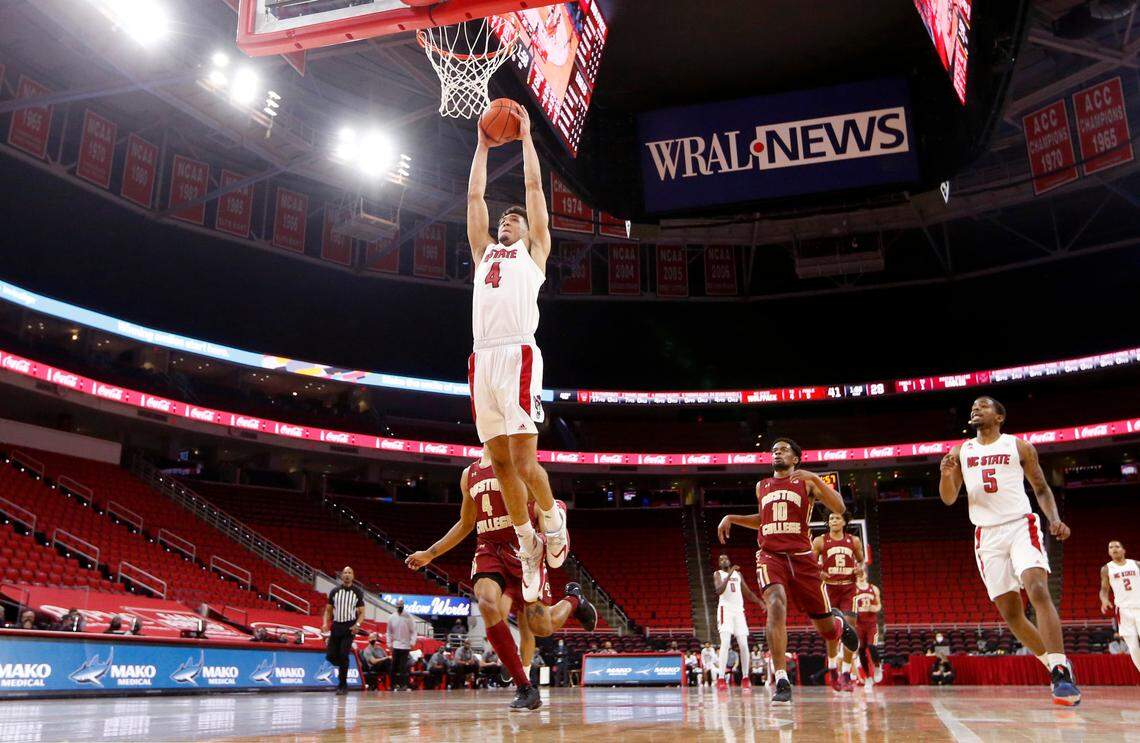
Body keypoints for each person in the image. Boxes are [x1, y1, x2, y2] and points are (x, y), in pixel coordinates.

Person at [465, 102, 569, 605]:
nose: (507, 223)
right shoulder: (484, 252)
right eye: (503, 221)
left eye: (514, 221)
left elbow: (532, 190)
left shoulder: (534, 253)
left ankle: (551, 519)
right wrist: (483, 147)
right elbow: (474, 195)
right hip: (481, 359)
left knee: (525, 463)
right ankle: (527, 542)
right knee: (501, 464)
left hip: (519, 355)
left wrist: (526, 139)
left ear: (529, 233)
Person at [405, 456, 596, 711]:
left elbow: (541, 500)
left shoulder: (518, 459)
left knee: (541, 626)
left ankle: (574, 598)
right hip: (489, 548)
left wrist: (548, 525)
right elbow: (465, 523)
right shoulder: (469, 474)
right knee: (486, 602)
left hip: (525, 549)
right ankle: (524, 686)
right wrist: (430, 553)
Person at [939, 396, 1080, 705]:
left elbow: (1042, 488)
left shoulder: (1019, 446)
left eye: (984, 405)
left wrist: (1054, 519)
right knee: (1012, 614)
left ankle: (1059, 669)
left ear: (1000, 416)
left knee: (1038, 588)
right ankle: (1054, 666)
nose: (976, 409)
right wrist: (946, 474)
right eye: (973, 406)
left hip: (1020, 524)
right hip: (986, 535)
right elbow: (949, 498)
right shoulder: (961, 451)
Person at [718, 437, 859, 705]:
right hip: (770, 556)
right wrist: (732, 517)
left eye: (783, 450)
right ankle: (781, 678)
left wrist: (817, 480)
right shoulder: (762, 486)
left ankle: (839, 623)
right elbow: (763, 519)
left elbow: (839, 507)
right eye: (774, 450)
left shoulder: (805, 481)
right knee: (776, 603)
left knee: (827, 630)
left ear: (795, 458)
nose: (777, 453)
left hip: (803, 558)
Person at [812, 511, 865, 692]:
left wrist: (860, 569)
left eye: (837, 518)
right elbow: (809, 563)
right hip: (829, 588)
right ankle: (833, 667)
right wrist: (819, 571)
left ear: (844, 522)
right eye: (831, 519)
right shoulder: (820, 541)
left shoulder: (854, 541)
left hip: (849, 588)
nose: (833, 521)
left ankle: (846, 674)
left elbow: (862, 561)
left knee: (850, 629)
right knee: (833, 630)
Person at [712, 553, 763, 691]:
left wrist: (759, 602)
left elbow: (747, 593)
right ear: (719, 563)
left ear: (729, 560)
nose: (723, 560)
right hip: (725, 610)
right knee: (726, 643)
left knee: (743, 644)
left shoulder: (738, 575)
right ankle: (721, 678)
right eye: (720, 559)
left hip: (739, 611)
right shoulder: (718, 574)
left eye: (725, 558)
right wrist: (730, 574)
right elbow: (719, 590)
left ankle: (745, 677)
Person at [323, 566, 365, 695]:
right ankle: (343, 665)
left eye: (349, 573)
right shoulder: (335, 591)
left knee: (343, 655)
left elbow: (362, 613)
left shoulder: (357, 592)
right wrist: (325, 623)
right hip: (336, 626)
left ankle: (342, 685)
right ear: (342, 576)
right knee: (330, 656)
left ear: (353, 576)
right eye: (345, 573)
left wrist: (357, 625)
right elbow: (328, 610)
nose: (347, 575)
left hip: (349, 627)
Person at [1100, 539, 1140, 673]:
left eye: (1117, 546)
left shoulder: (1136, 564)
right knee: (1133, 647)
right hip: (1123, 610)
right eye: (1111, 547)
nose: (1114, 549)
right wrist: (1104, 600)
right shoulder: (1106, 569)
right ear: (1109, 552)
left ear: (1123, 550)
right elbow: (1104, 589)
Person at [851, 570, 884, 690]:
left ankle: (877, 666)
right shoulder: (853, 589)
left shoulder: (873, 588)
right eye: (858, 574)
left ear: (865, 575)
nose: (861, 576)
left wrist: (873, 607)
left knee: (872, 646)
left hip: (871, 624)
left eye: (862, 573)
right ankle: (868, 678)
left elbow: (879, 605)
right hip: (859, 624)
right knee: (861, 650)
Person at [386, 600, 417, 691]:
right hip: (396, 645)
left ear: (403, 606)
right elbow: (389, 632)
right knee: (394, 666)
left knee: (403, 667)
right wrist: (389, 643)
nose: (399, 608)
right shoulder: (392, 617)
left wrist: (412, 642)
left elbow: (414, 631)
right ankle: (392, 685)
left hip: (405, 646)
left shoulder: (409, 617)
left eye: (401, 606)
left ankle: (403, 685)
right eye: (398, 606)